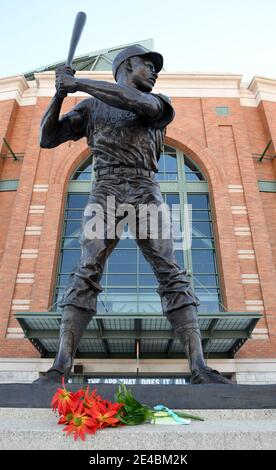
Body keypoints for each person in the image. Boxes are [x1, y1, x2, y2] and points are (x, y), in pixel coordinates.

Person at [34, 45, 233, 384]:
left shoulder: (158, 102)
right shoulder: (91, 106)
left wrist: (77, 82)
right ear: (127, 65)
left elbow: (134, 102)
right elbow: (47, 137)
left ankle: (200, 367)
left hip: (145, 188)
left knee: (171, 273)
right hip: (106, 188)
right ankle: (59, 367)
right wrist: (58, 94)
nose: (155, 72)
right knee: (86, 269)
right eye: (147, 65)